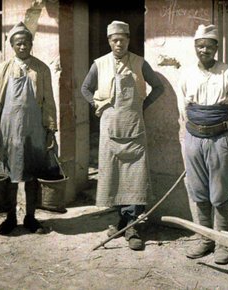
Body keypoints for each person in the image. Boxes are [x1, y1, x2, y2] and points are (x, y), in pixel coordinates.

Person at [81, 20, 164, 251]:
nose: (119, 44)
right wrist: (99, 106)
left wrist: (142, 105)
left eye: (123, 39)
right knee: (115, 177)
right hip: (110, 129)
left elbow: (158, 87)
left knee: (134, 179)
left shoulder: (139, 63)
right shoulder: (100, 64)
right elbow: (85, 89)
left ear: (128, 40)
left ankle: (133, 226)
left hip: (134, 129)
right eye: (114, 40)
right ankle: (122, 220)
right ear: (109, 41)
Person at [178, 24, 228, 264]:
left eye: (208, 45)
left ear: (216, 47)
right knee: (198, 190)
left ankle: (222, 242)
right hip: (193, 138)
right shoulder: (187, 73)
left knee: (219, 192)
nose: (203, 49)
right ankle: (205, 240)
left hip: (220, 139)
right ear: (195, 48)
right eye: (199, 45)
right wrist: (189, 136)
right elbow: (183, 109)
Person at [0, 22, 57, 235]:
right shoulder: (2, 70)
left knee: (32, 175)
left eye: (26, 43)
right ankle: (10, 218)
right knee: (10, 176)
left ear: (31, 44)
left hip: (34, 132)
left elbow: (49, 101)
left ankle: (31, 218)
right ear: (12, 46)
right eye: (18, 43)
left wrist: (50, 129)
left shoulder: (41, 69)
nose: (23, 47)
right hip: (9, 132)